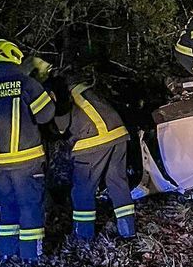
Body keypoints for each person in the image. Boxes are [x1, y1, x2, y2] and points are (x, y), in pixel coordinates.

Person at [0, 39, 56, 261]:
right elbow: (46, 114)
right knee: (30, 209)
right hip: (28, 162)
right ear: (14, 57)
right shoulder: (26, 83)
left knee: (8, 209)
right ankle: (31, 261)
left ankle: (6, 256)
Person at [39, 69, 137, 240]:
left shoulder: (53, 89)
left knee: (83, 189)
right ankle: (128, 230)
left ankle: (83, 235)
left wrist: (53, 131)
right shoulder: (76, 85)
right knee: (117, 182)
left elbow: (62, 122)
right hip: (118, 133)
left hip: (93, 139)